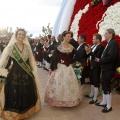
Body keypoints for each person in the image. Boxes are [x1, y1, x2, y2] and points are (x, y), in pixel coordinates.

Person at [0, 29, 40, 119]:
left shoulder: (27, 47)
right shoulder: (11, 47)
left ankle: (27, 110)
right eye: (19, 34)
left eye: (23, 35)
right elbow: (7, 62)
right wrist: (3, 71)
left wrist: (32, 71)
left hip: (26, 73)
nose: (21, 36)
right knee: (14, 92)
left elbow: (30, 61)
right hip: (15, 73)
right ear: (16, 35)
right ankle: (14, 112)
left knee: (27, 91)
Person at [44, 31, 82, 107]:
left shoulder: (71, 47)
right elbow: (54, 58)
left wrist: (72, 61)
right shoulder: (58, 46)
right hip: (60, 67)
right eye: (68, 36)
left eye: (70, 36)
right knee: (58, 83)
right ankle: (58, 100)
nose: (69, 38)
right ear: (64, 37)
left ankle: (69, 101)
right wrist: (51, 68)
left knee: (68, 83)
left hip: (68, 68)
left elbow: (77, 55)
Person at [95, 28, 119, 113]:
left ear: (110, 34)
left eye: (105, 33)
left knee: (107, 87)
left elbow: (111, 57)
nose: (104, 35)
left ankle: (109, 106)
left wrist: (100, 60)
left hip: (109, 69)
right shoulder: (110, 43)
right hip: (106, 68)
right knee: (104, 86)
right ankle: (104, 102)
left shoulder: (113, 43)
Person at [84, 34, 104, 103]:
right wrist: (87, 51)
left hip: (96, 66)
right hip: (91, 65)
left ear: (98, 40)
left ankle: (95, 98)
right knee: (91, 80)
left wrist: (89, 51)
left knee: (96, 81)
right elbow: (89, 55)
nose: (92, 40)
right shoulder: (93, 46)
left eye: (94, 39)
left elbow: (97, 56)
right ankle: (92, 94)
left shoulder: (100, 47)